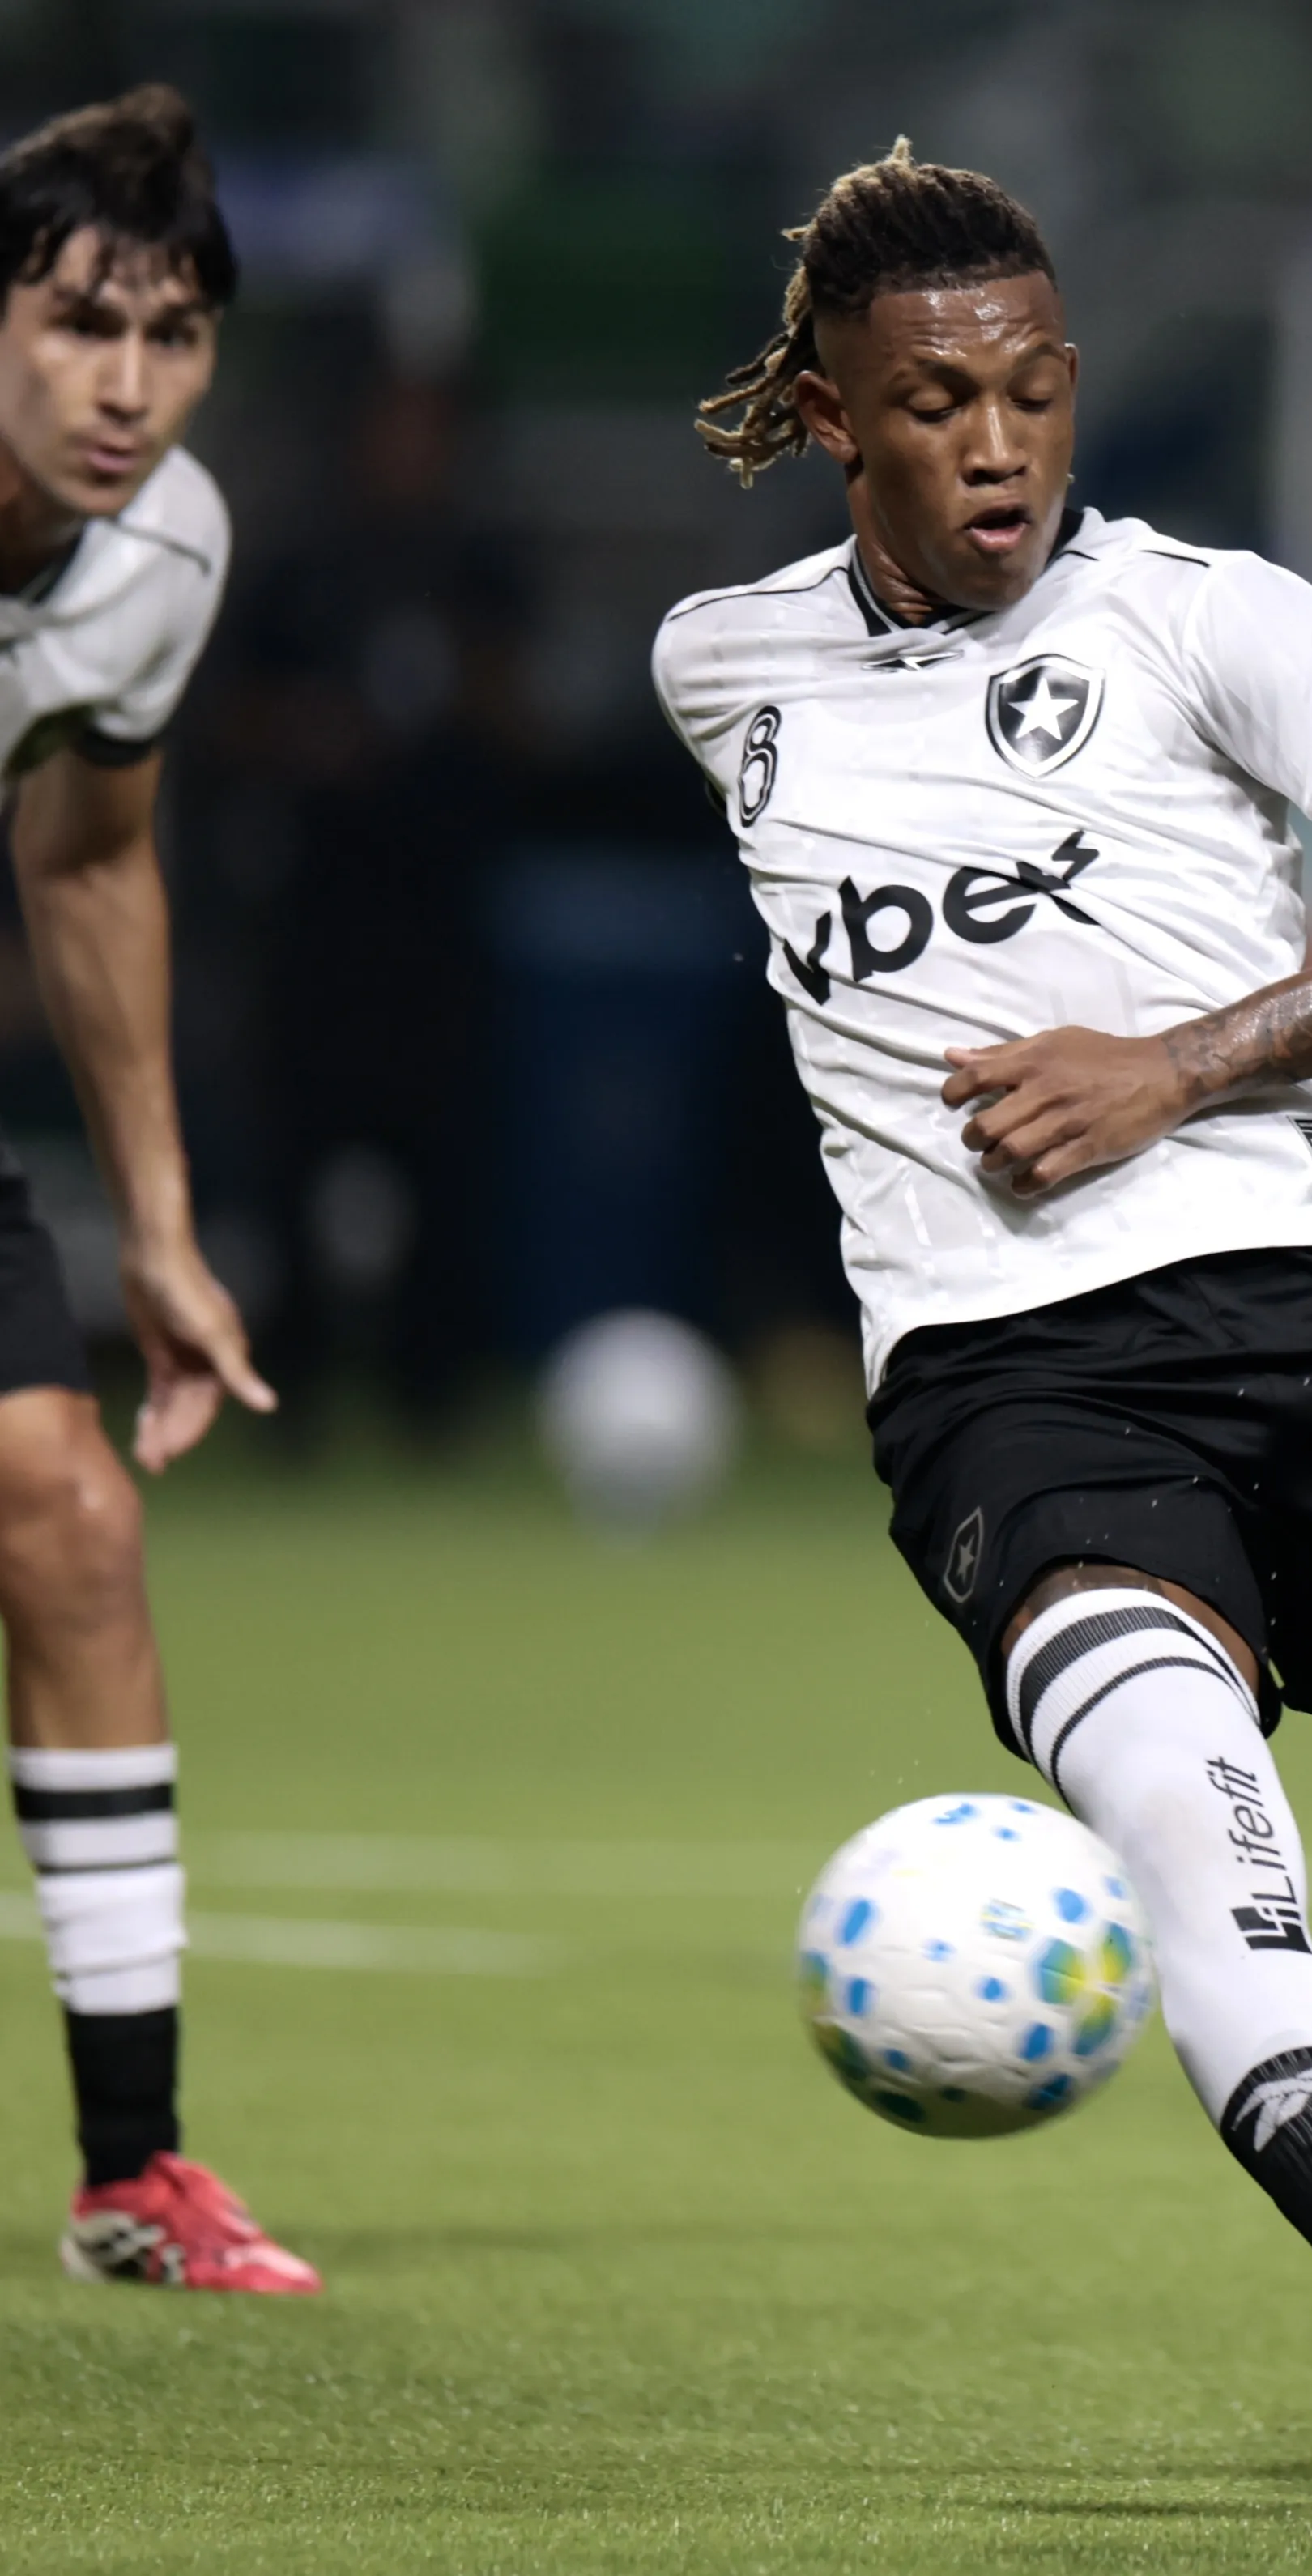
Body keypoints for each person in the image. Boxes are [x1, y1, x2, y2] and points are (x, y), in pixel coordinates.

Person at [654, 145, 1312, 2531]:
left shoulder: (1205, 614)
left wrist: (1178, 1058)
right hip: (1021, 1387)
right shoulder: (723, 671)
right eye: (935, 403)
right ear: (835, 417)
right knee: (1202, 1868)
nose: (997, 445)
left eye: (1030, 391)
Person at [0, 89, 305, 2298]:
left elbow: (92, 859)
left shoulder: (163, 548)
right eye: (78, 323)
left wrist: (162, 1227)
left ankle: (134, 2172)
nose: (126, 386)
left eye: (173, 333)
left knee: (71, 1514)